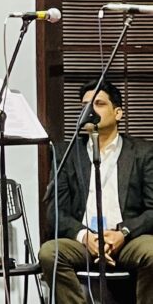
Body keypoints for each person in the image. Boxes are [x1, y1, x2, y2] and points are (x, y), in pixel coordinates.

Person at [39, 80, 153, 303]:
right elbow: (55, 212)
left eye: (98, 104)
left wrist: (124, 232)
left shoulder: (143, 152)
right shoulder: (67, 153)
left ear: (118, 113)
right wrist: (85, 236)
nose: (89, 111)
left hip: (128, 239)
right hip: (84, 240)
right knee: (49, 252)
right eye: (84, 106)